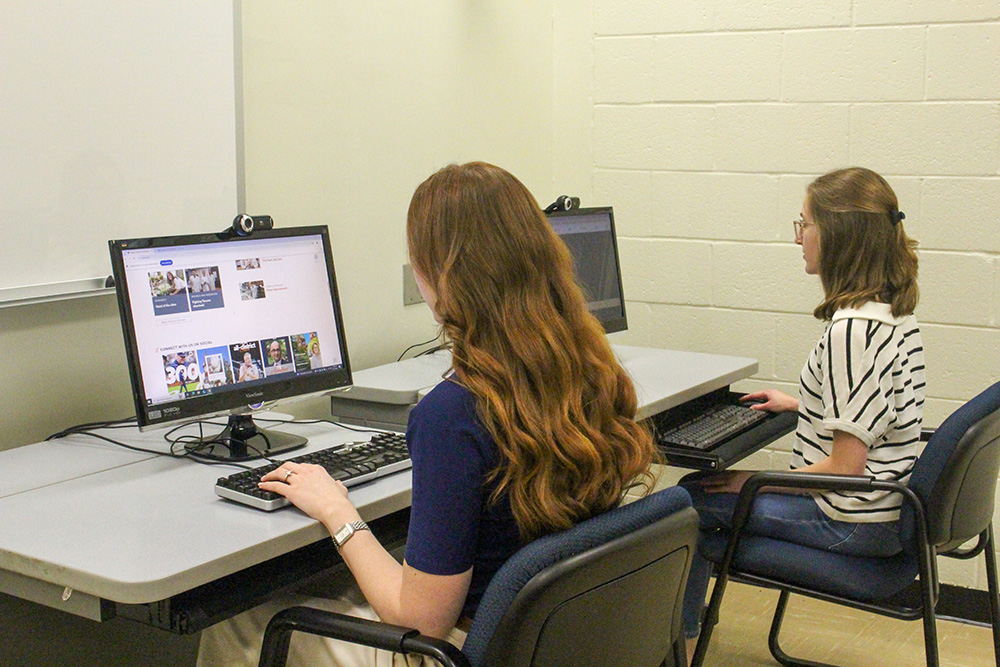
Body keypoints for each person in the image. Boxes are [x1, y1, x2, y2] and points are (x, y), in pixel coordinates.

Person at [197, 161, 659, 666]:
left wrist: (337, 511)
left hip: (459, 652)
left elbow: (421, 622)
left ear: (439, 277)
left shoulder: (453, 413)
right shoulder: (591, 368)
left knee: (238, 621)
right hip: (553, 640)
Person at [680, 167, 925, 664]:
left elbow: (845, 469)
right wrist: (805, 406)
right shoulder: (891, 312)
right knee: (706, 491)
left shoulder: (851, 332)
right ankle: (683, 631)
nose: (799, 238)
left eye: (805, 224)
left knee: (689, 501)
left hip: (850, 518)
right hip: (884, 508)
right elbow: (881, 410)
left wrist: (754, 480)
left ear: (836, 236)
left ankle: (677, 644)